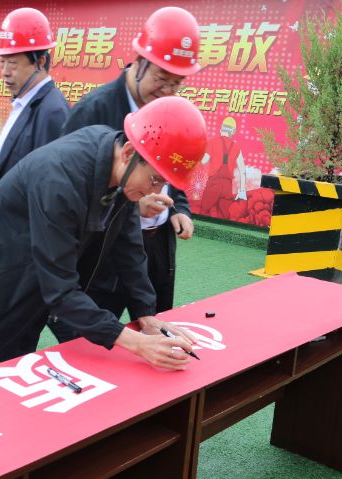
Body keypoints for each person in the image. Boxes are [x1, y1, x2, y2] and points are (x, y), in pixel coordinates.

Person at [0, 96, 205, 479]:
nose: (156, 192)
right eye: (155, 179)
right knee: (3, 393)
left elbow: (129, 247)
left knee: (62, 382)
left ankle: (48, 478)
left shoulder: (117, 171)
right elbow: (61, 293)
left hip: (45, 274)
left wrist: (147, 316)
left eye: (164, 184)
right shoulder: (61, 175)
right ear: (129, 152)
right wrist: (133, 342)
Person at [57, 7, 202, 329]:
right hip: (105, 257)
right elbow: (70, 190)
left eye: (176, 83)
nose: (167, 91)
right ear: (138, 61)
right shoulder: (94, 110)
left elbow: (171, 167)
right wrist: (132, 204)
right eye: (161, 79)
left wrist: (177, 207)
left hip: (156, 245)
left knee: (158, 327)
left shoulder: (168, 109)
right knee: (95, 341)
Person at [0, 7, 69, 196]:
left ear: (40, 62)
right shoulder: (24, 102)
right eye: (2, 62)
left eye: (12, 63)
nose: (5, 72)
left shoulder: (52, 112)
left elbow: (48, 190)